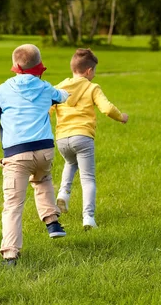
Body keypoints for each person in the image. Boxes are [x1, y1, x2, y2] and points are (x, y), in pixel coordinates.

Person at [0, 44, 69, 266]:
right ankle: (52, 222)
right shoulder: (46, 88)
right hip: (45, 151)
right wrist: (68, 90)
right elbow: (62, 96)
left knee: (13, 205)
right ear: (39, 67)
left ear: (16, 67)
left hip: (17, 156)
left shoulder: (1, 91)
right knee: (42, 178)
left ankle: (10, 253)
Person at [51, 48, 128, 230]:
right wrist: (121, 117)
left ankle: (64, 193)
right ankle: (89, 218)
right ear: (89, 71)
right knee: (88, 179)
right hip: (83, 137)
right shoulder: (92, 87)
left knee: (70, 163)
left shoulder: (59, 88)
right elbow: (107, 109)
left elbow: (47, 109)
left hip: (62, 139)